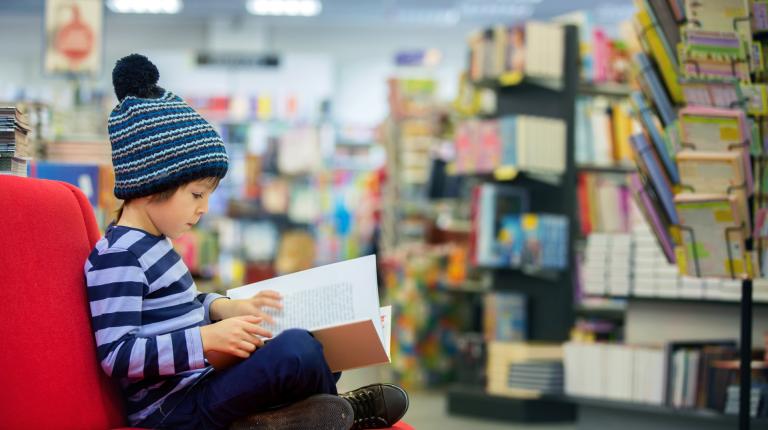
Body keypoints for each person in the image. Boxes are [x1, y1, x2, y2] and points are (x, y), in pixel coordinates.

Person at [84, 54, 408, 430]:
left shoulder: (155, 241)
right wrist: (205, 339)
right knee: (297, 353)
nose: (204, 208)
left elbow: (179, 309)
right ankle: (338, 415)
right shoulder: (120, 256)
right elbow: (118, 354)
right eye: (197, 194)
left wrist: (224, 308)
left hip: (201, 382)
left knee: (312, 347)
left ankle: (287, 418)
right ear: (151, 184)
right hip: (171, 409)